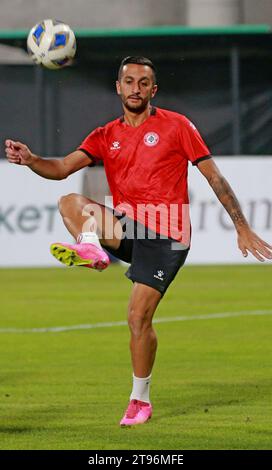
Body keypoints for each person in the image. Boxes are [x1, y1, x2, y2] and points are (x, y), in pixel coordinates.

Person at [5, 56, 272, 427]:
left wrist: (241, 226)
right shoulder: (105, 135)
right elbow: (62, 169)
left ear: (153, 90)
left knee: (137, 317)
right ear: (118, 87)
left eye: (143, 83)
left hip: (168, 234)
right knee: (69, 201)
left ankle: (140, 400)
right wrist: (32, 159)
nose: (135, 88)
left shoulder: (177, 126)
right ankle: (91, 247)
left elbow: (215, 177)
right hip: (130, 228)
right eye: (129, 81)